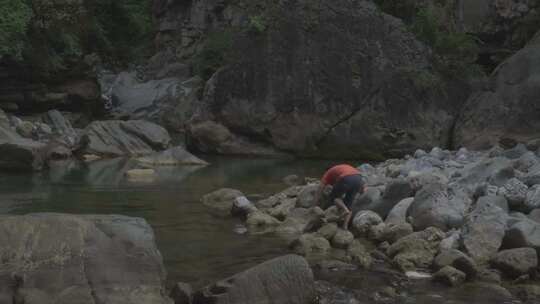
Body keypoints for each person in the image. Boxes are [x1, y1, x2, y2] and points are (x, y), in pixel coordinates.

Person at [316, 164, 366, 230]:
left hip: (346, 178)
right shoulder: (342, 168)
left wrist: (315, 203)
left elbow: (320, 187)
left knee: (334, 198)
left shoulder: (329, 172)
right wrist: (362, 190)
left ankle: (345, 210)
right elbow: (361, 184)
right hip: (359, 178)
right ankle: (345, 227)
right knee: (349, 204)